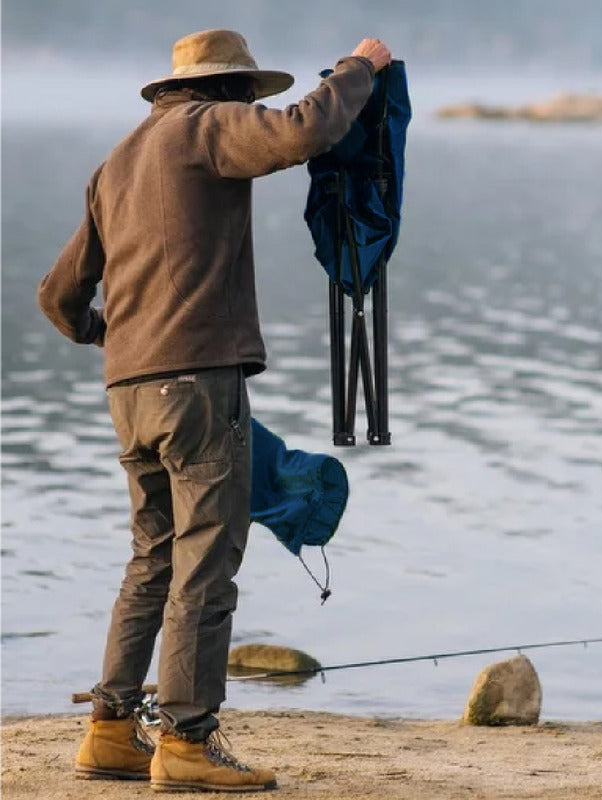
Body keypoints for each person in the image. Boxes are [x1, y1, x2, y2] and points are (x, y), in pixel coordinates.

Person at [37, 28, 391, 793]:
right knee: (206, 562)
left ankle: (110, 731)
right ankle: (189, 742)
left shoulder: (118, 161)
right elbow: (304, 131)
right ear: (230, 89)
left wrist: (113, 338)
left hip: (128, 393)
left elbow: (57, 297)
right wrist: (362, 70)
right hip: (197, 385)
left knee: (151, 560)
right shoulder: (206, 126)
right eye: (247, 95)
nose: (247, 107)